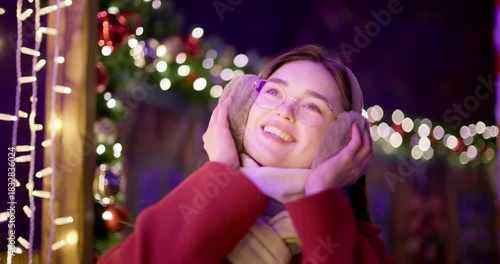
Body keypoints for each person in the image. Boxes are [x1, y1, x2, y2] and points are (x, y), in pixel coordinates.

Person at [98, 44, 395, 264]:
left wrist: (321, 198)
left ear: (341, 139)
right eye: (273, 92)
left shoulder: (360, 251)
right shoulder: (195, 203)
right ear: (242, 109)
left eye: (312, 106)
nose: (284, 111)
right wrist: (221, 172)